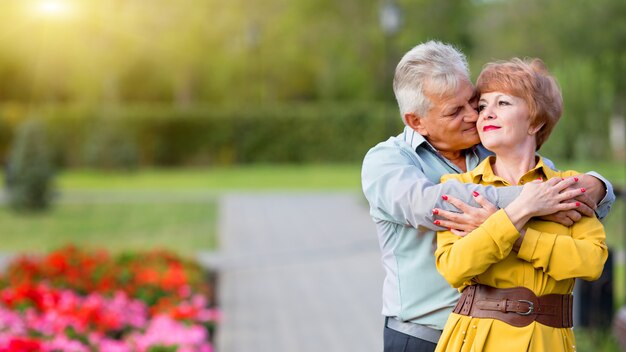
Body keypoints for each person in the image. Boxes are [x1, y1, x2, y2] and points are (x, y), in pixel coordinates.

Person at [360, 41, 615, 352]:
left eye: (473, 102)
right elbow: (435, 204)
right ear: (417, 122)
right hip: (423, 335)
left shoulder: (495, 148)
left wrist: (600, 186)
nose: (473, 116)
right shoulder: (387, 161)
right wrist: (530, 203)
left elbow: (575, 210)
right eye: (456, 111)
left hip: (508, 338)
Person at [434, 58, 608, 351]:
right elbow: (455, 267)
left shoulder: (566, 187)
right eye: (483, 106)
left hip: (548, 342)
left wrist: (517, 237)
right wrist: (520, 210)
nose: (487, 113)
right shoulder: (460, 186)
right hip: (476, 339)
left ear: (536, 121)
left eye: (503, 103)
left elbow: (591, 262)